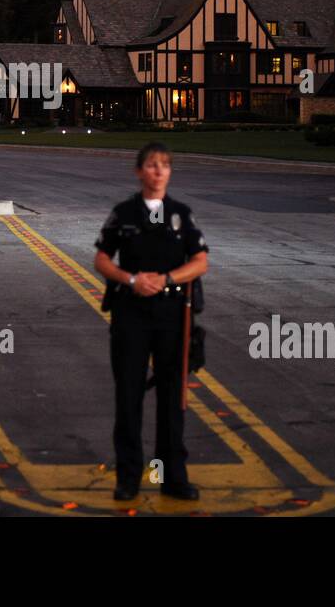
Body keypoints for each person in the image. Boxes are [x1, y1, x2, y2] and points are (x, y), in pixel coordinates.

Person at [93, 142, 209, 502]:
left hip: (173, 314)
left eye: (165, 165)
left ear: (169, 173)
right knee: (128, 397)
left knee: (173, 399)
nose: (159, 171)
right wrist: (130, 280)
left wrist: (167, 279)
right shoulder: (124, 213)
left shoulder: (181, 214)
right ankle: (128, 478)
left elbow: (201, 260)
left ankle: (173, 476)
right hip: (130, 312)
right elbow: (101, 258)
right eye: (152, 165)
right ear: (139, 171)